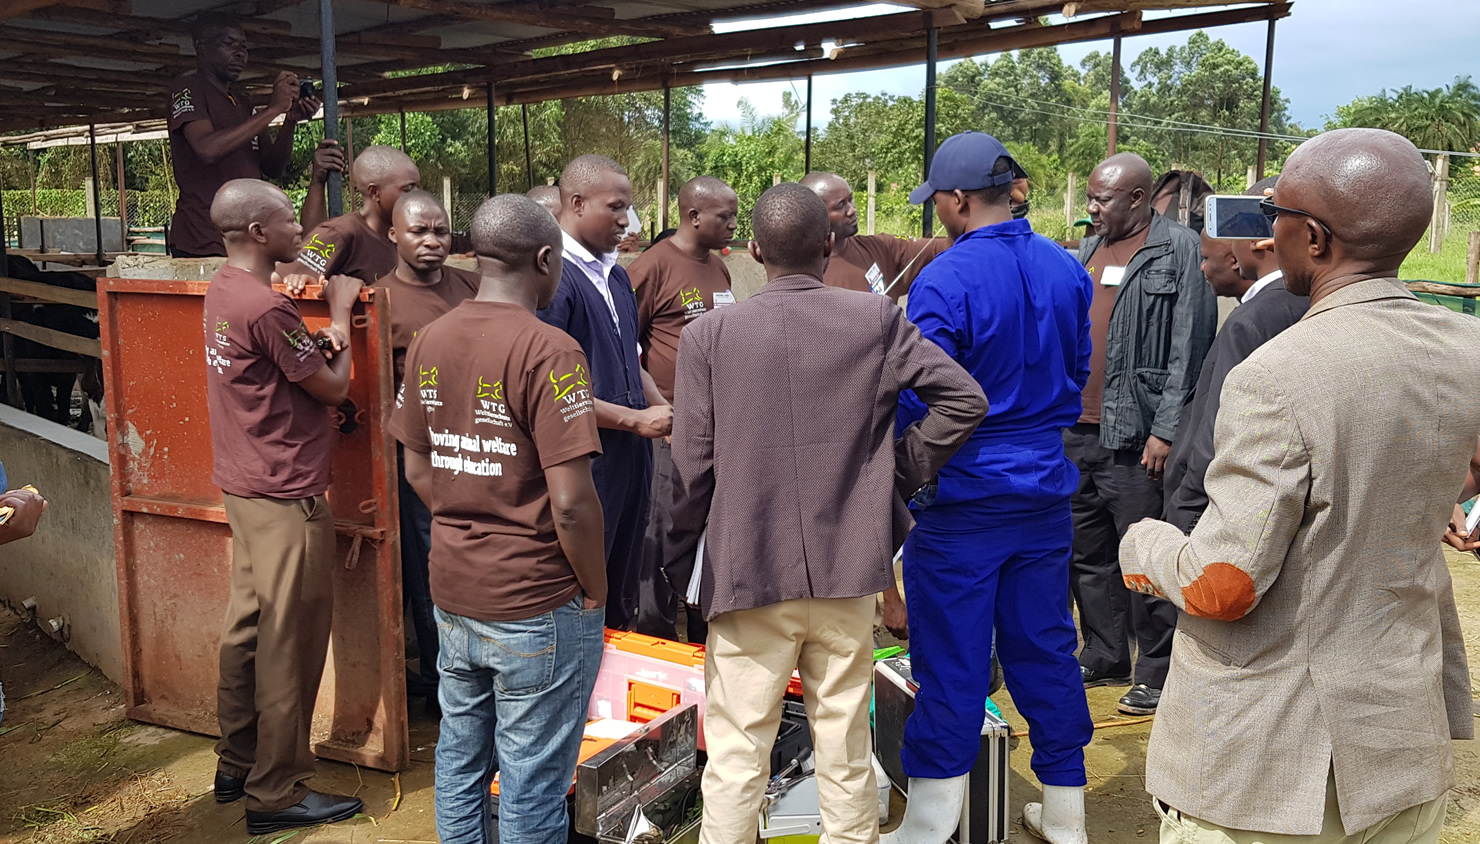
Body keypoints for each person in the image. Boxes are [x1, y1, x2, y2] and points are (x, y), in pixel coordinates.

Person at [1121, 127, 1479, 843]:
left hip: (1272, 772)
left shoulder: (1277, 376)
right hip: (1401, 749)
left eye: (1273, 215)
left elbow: (1225, 584)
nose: (1264, 234)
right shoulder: (1466, 347)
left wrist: (1144, 545)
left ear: (1313, 238)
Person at [664, 182, 987, 844]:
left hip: (747, 570)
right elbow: (964, 400)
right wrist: (891, 478)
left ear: (755, 251)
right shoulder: (874, 319)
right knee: (844, 749)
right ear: (830, 244)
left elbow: (691, 469)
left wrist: (680, 560)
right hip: (847, 568)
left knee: (736, 756)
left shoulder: (709, 335)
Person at [882, 133, 1095, 844]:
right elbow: (1078, 367)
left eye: (937, 201)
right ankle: (1066, 815)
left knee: (952, 656)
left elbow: (923, 392)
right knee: (1046, 647)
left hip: (964, 497)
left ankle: (928, 824)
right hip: (1045, 492)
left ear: (956, 200)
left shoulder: (945, 277)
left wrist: (904, 468)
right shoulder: (1067, 266)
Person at [392, 193, 607, 844]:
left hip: (454, 591)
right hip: (536, 599)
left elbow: (417, 470)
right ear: (545, 259)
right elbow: (571, 503)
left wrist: (470, 522)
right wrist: (595, 588)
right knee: (532, 781)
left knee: (460, 757)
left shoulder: (428, 340)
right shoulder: (551, 351)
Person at [202, 179, 364, 834]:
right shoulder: (268, 307)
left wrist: (310, 341)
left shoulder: (223, 289)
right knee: (289, 641)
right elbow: (332, 389)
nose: (301, 228)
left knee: (247, 624)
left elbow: (275, 367)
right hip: (287, 492)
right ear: (258, 233)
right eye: (289, 219)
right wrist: (341, 319)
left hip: (244, 482)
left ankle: (237, 761)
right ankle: (278, 790)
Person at [1068, 153, 1215, 716]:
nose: (1091, 207)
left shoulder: (1179, 249)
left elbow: (1190, 346)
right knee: (1088, 552)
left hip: (1138, 434)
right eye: (1090, 196)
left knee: (1145, 552)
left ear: (1137, 198)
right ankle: (1105, 653)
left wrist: (1167, 430)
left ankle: (1157, 669)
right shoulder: (1087, 251)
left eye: (1101, 198)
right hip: (1077, 429)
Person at [539, 155, 672, 628]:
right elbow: (547, 392)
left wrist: (661, 408)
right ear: (576, 204)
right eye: (616, 207)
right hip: (586, 458)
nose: (626, 221)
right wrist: (635, 419)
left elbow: (632, 360)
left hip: (630, 455)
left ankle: (614, 667)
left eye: (628, 208)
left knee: (622, 581)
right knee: (585, 590)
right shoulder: (554, 280)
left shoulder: (615, 275)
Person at [382, 190, 483, 708]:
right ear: (393, 235)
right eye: (419, 231)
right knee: (429, 559)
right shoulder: (380, 299)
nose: (432, 241)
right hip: (422, 453)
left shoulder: (472, 287)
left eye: (441, 231)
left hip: (481, 443)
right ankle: (443, 679)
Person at [1163, 178, 1307, 535]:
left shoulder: (1251, 321)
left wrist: (1184, 512)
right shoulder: (1309, 303)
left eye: (1237, 229)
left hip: (1211, 511)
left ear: (1259, 239)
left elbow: (1216, 432)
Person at [629, 175, 738, 642]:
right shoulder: (651, 268)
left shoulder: (719, 268)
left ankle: (702, 635)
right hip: (669, 430)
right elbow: (624, 350)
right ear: (693, 216)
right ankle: (656, 642)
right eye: (725, 216)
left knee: (707, 531)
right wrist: (660, 410)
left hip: (718, 428)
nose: (734, 225)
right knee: (663, 533)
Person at [166, 13, 321, 258]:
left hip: (246, 240)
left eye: (244, 47)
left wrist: (289, 120)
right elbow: (206, 149)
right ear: (201, 47)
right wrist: (273, 109)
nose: (240, 53)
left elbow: (272, 167)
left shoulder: (243, 103)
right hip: (203, 237)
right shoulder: (189, 88)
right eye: (228, 44)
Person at [280, 146, 421, 286]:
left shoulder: (404, 237)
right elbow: (282, 281)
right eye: (408, 189)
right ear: (374, 193)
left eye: (418, 187)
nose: (417, 195)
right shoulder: (339, 234)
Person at [800, 172, 950, 298]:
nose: (852, 210)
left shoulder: (881, 248)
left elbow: (946, 246)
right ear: (813, 214)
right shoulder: (800, 271)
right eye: (841, 205)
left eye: (851, 199)